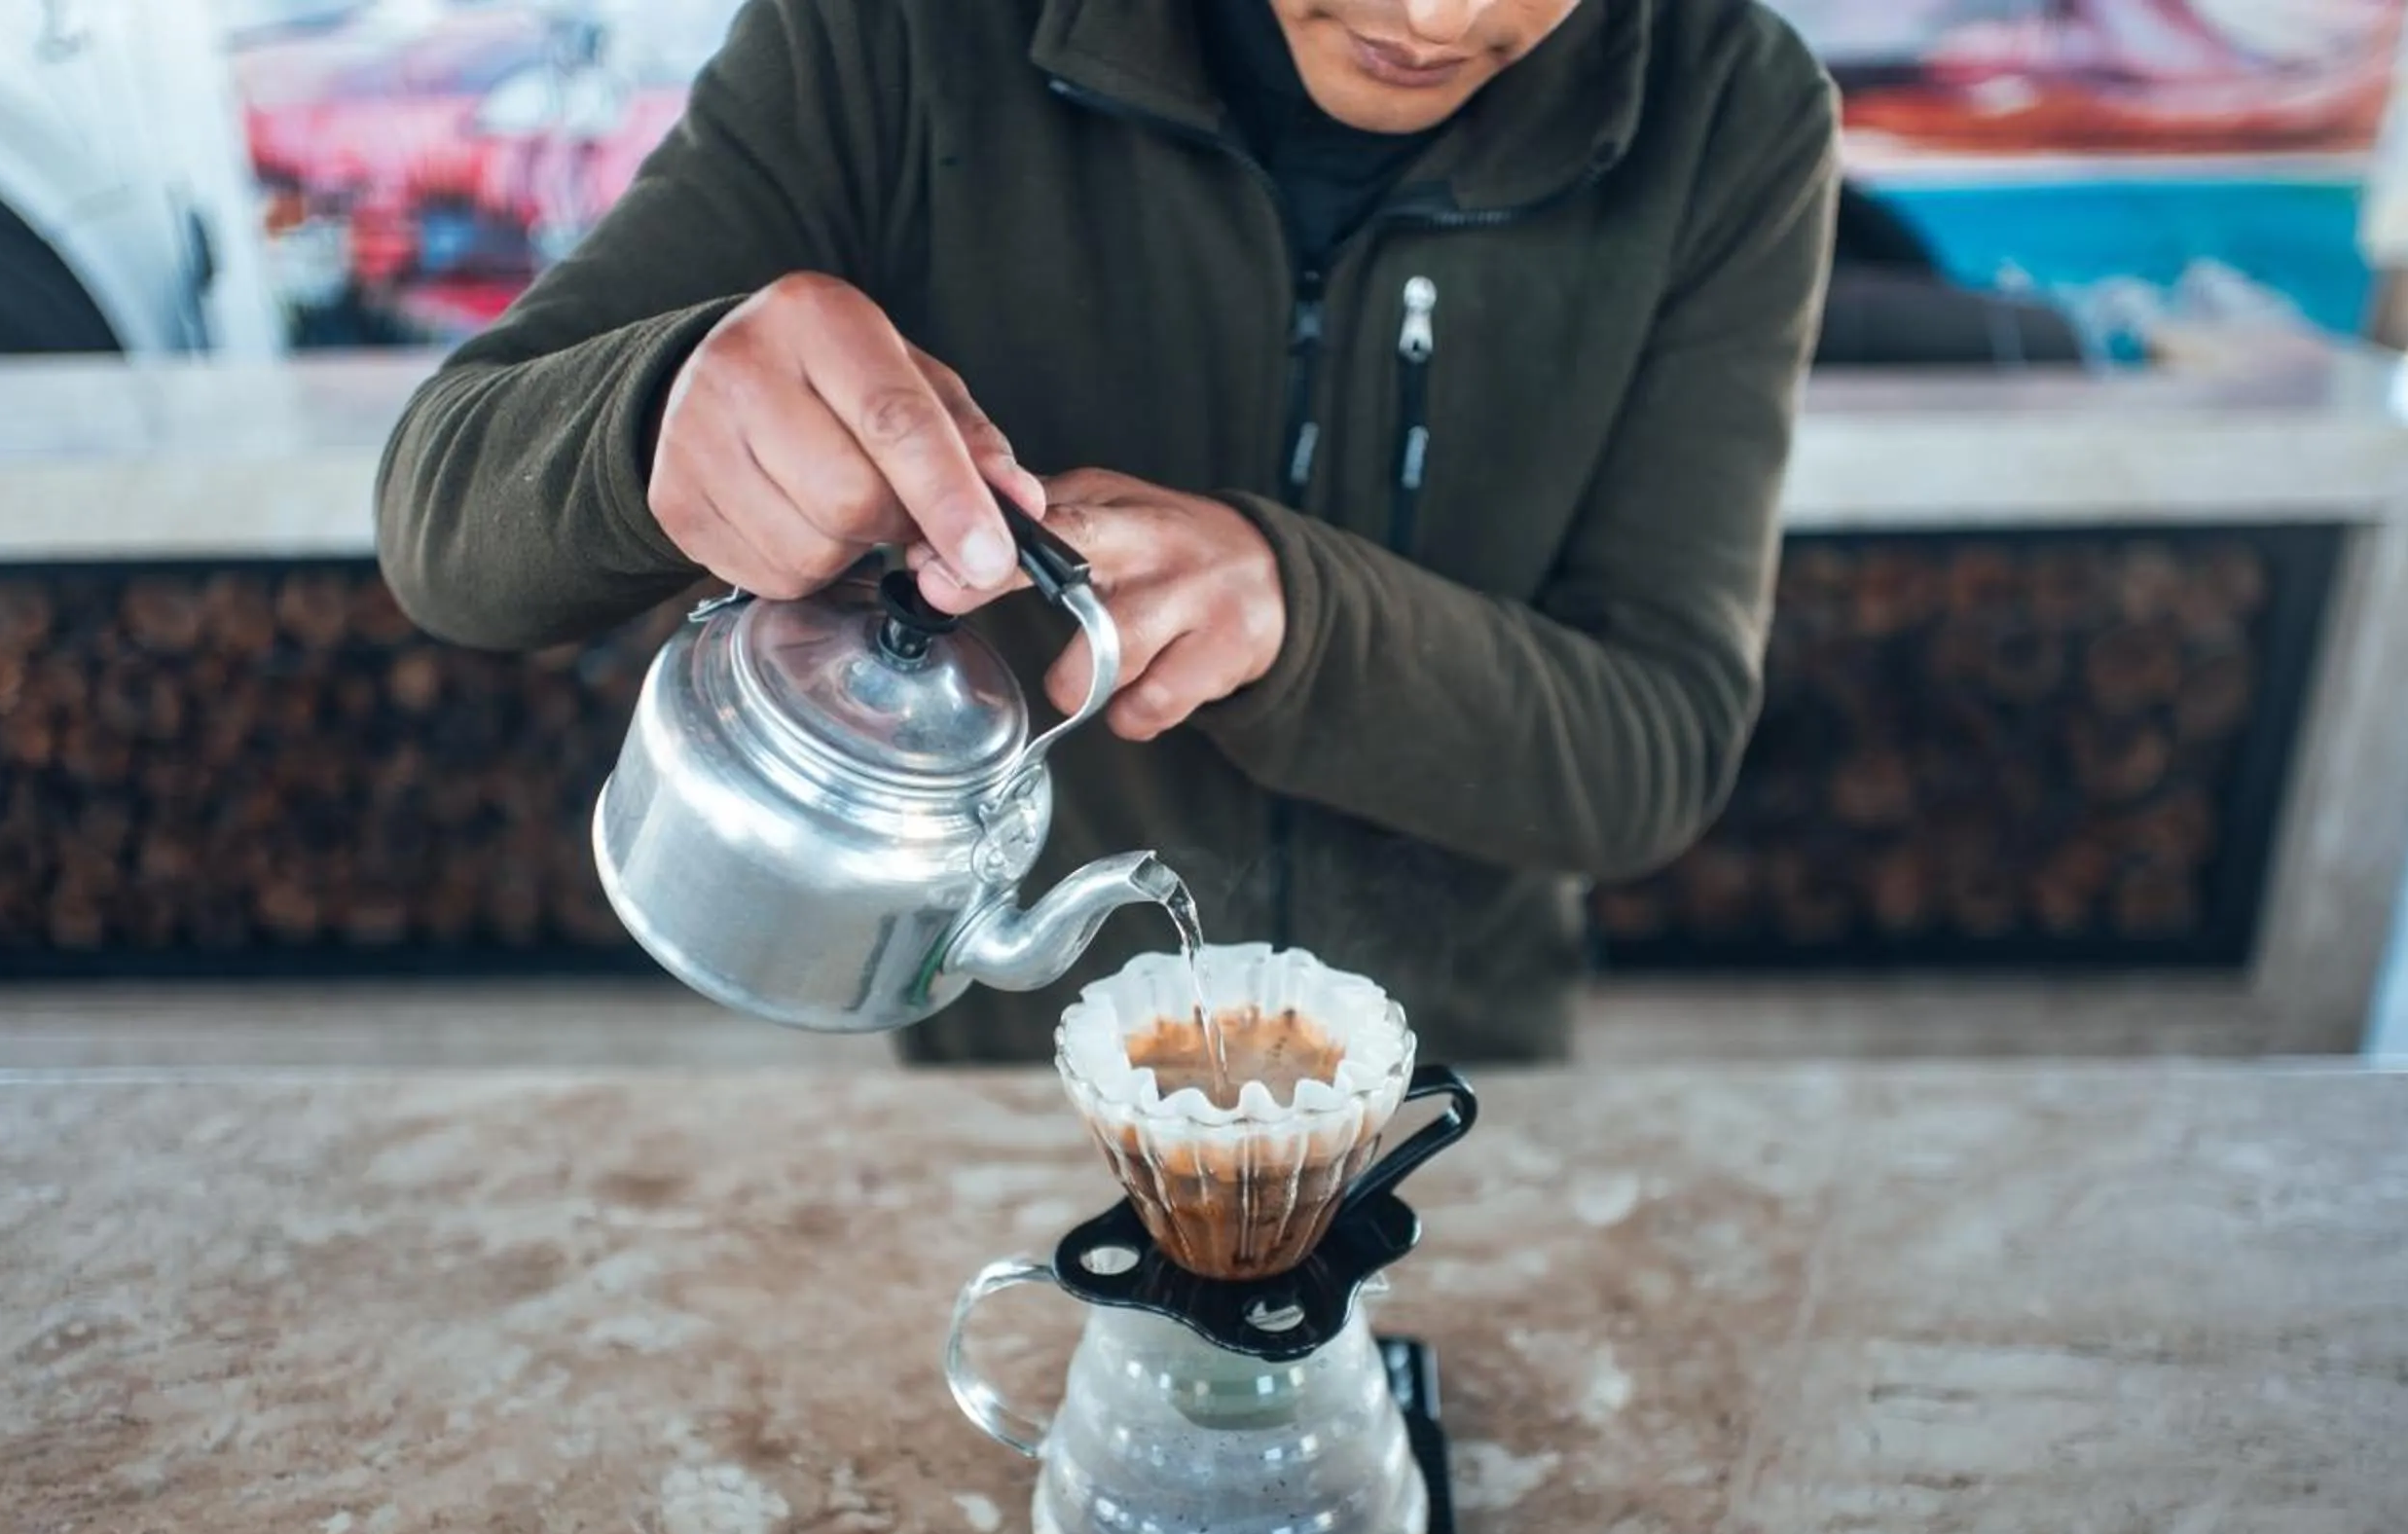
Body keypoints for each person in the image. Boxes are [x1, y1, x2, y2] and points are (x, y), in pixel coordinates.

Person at [377, 0, 1841, 1065]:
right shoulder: (898, 40)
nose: (1439, 18)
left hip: (1446, 1102)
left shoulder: (1727, 103)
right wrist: (657, 414)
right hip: (1006, 1099)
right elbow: (445, 519)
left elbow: (1657, 746)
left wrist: (1302, 621)